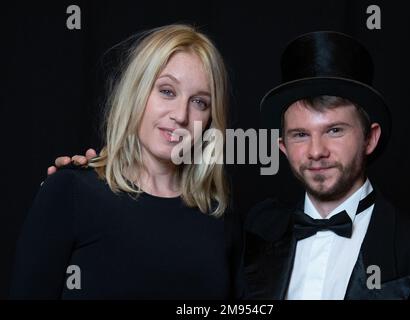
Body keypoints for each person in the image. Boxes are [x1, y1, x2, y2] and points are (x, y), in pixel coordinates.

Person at [10, 24, 243, 299]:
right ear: (137, 91)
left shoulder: (219, 215)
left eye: (200, 102)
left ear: (210, 120)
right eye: (167, 91)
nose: (180, 115)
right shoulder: (70, 191)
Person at [244, 31, 410, 299]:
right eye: (301, 134)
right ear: (283, 147)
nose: (316, 151)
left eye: (334, 131)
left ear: (370, 138)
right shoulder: (255, 232)